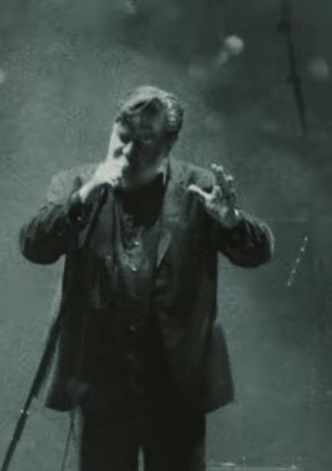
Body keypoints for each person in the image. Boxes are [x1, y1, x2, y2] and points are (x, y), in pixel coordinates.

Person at [18, 85, 274, 471]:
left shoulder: (198, 189)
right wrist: (86, 195)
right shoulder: (77, 184)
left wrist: (232, 223)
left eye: (143, 141)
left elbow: (259, 252)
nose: (126, 151)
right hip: (101, 387)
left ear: (168, 145)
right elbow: (34, 246)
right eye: (122, 137)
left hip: (176, 387)